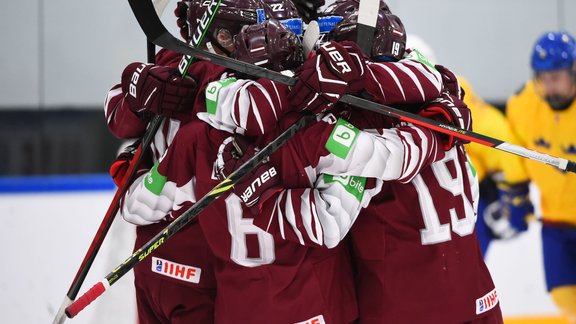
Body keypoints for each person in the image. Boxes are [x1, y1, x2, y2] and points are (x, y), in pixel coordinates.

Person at [405, 33, 532, 257]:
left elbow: (496, 136)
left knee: (462, 267)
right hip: (420, 207)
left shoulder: (455, 101)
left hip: (458, 204)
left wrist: (515, 189)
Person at [506, 31, 576, 324]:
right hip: (555, 220)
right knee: (562, 294)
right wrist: (516, 191)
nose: (549, 86)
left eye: (556, 76)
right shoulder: (523, 104)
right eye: (543, 77)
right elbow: (515, 148)